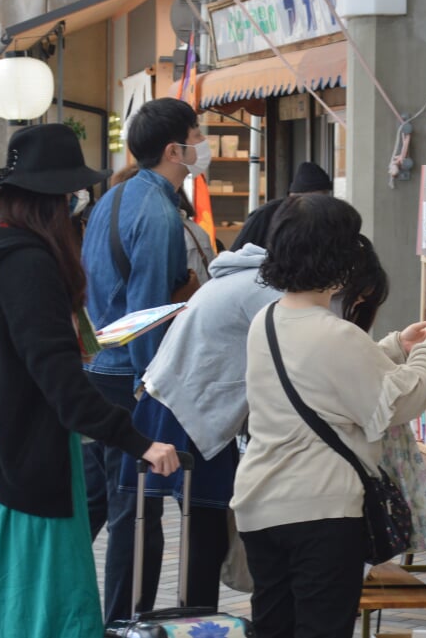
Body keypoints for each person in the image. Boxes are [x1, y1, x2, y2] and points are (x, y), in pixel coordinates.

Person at [0, 123, 180, 638]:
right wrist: (138, 440)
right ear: (52, 200)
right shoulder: (29, 265)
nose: (77, 205)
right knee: (46, 612)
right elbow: (60, 382)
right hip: (28, 472)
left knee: (9, 603)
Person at [230, 195, 426, 638]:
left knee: (274, 626)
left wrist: (395, 347)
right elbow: (398, 401)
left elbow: (323, 379)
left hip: (260, 505)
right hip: (320, 511)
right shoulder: (335, 334)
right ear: (336, 257)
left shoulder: (268, 320)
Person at [80, 97, 203, 621]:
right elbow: (150, 312)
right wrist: (153, 392)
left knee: (97, 501)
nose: (204, 146)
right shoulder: (157, 212)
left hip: (98, 371)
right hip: (134, 378)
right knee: (137, 509)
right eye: (198, 136)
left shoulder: (113, 197)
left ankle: (78, 615)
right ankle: (124, 622)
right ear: (176, 149)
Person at [142, 232, 283, 608]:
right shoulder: (266, 291)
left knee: (201, 527)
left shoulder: (239, 277)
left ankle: (194, 617)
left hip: (175, 398)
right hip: (191, 410)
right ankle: (195, 621)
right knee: (204, 529)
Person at [230, 161, 332, 251]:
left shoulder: (325, 217)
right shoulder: (265, 215)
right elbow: (237, 254)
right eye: (322, 198)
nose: (323, 205)